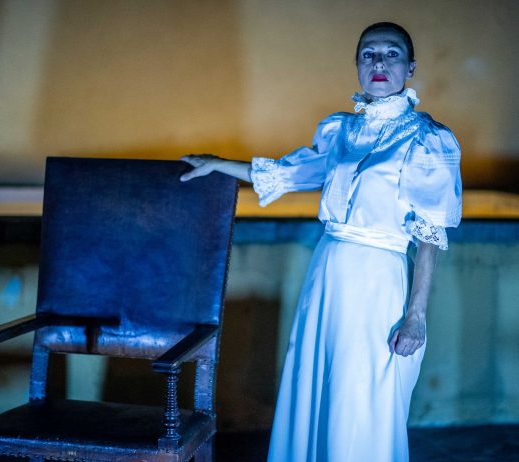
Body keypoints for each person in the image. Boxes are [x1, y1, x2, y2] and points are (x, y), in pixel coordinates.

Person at [181, 22, 461, 462]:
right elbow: (288, 173)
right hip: (327, 273)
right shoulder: (340, 132)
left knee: (362, 397)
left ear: (411, 67)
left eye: (391, 53)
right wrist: (218, 163)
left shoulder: (429, 139)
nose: (379, 62)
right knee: (315, 386)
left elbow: (430, 235)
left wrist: (416, 316)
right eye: (368, 54)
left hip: (378, 281)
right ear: (357, 65)